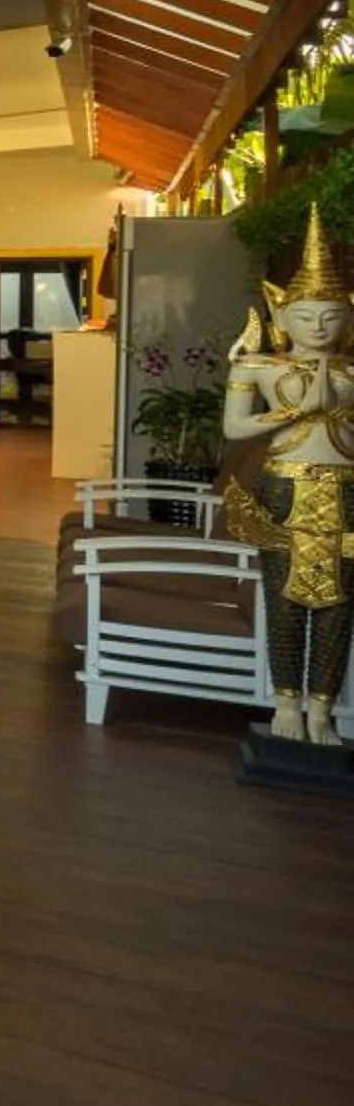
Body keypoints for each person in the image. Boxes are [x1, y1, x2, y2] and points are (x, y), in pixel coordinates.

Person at [222, 212, 354, 746]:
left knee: (340, 601)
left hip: (346, 488)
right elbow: (235, 429)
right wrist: (298, 412)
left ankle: (321, 709)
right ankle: (285, 703)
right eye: (306, 315)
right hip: (283, 485)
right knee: (282, 597)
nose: (318, 326)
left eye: (331, 315)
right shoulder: (258, 367)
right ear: (282, 313)